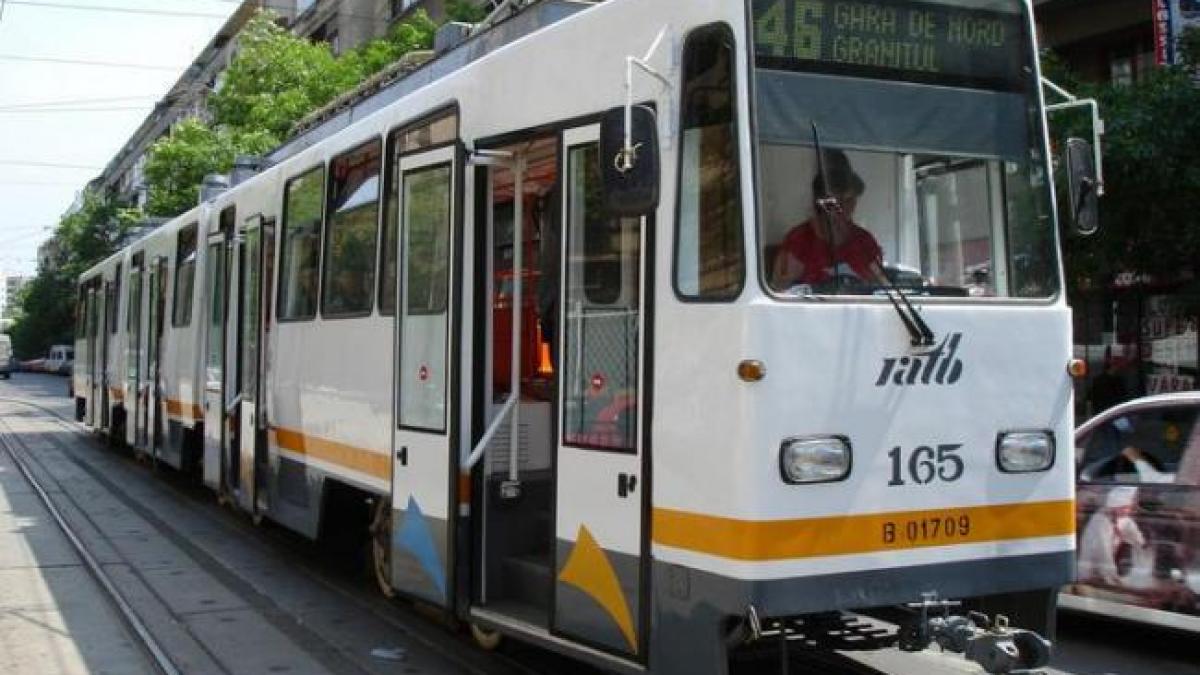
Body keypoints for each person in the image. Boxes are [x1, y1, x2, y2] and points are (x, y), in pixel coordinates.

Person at [771, 149, 888, 291]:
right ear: (821, 202)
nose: (846, 207)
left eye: (851, 200)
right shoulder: (798, 242)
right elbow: (779, 290)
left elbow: (883, 289)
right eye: (838, 200)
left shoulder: (865, 242)